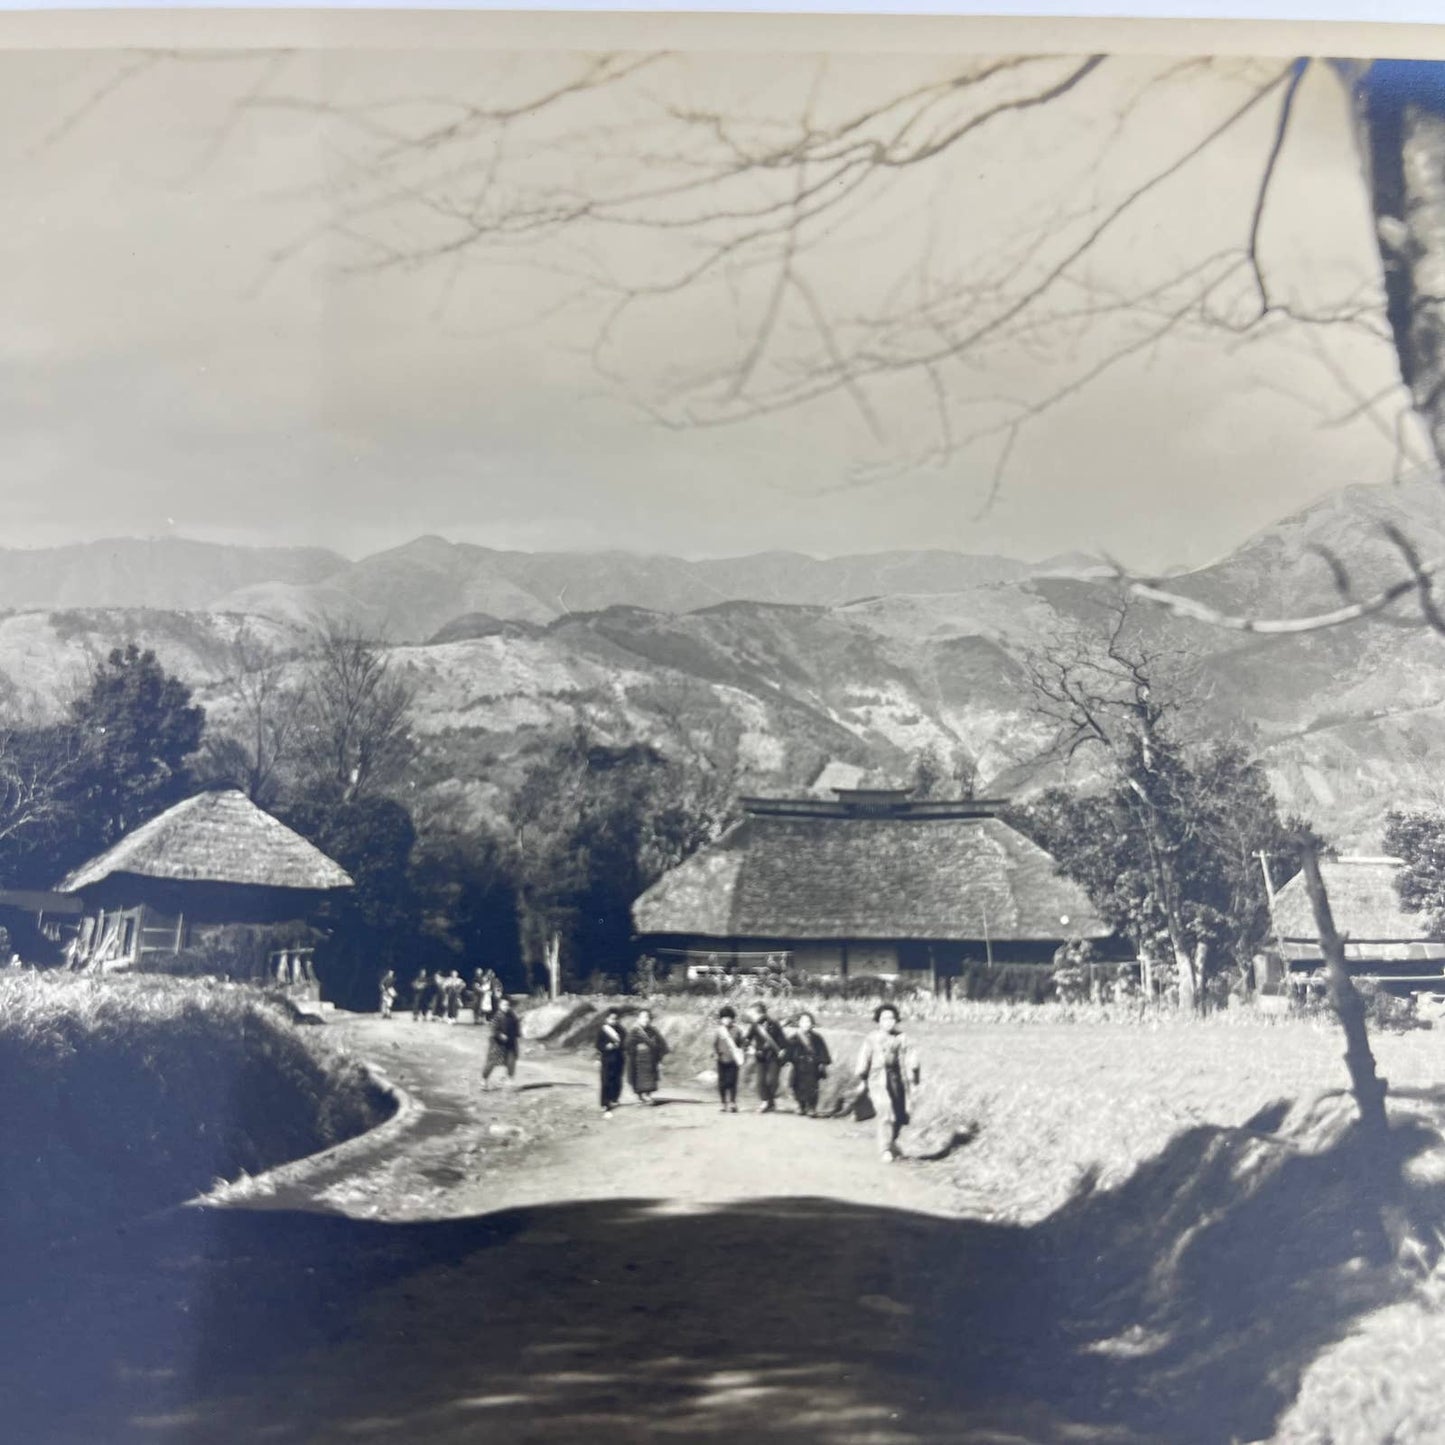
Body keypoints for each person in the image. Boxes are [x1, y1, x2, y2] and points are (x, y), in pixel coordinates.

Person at [855, 1004, 922, 1162]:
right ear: (878, 1020)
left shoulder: (901, 1038)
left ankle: (891, 1142)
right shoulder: (871, 1038)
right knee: (885, 1110)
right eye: (885, 1018)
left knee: (899, 1115)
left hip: (897, 1080)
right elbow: (864, 1058)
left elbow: (911, 1056)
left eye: (892, 1018)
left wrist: (914, 1072)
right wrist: (862, 1078)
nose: (889, 1022)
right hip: (877, 1079)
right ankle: (884, 1148)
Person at [743, 1000, 788, 1113]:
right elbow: (747, 1040)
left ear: (759, 1013)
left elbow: (783, 1040)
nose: (751, 1017)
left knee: (772, 1081)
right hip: (760, 1056)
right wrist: (749, 1048)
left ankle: (770, 1102)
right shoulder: (754, 1026)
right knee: (761, 1081)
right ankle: (765, 1102)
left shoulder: (774, 1024)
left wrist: (783, 1050)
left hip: (774, 1056)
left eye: (752, 1014)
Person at [785, 1011, 831, 1116]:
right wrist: (786, 1059)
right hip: (798, 1066)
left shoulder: (817, 1038)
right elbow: (788, 1051)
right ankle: (801, 1106)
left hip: (812, 1066)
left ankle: (811, 1107)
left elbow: (822, 1051)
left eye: (809, 1021)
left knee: (812, 1087)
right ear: (799, 1023)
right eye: (804, 1022)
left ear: (812, 1023)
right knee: (797, 1086)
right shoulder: (794, 1038)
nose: (806, 1024)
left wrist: (822, 1063)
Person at [625, 1008, 669, 1106]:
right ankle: (641, 1096)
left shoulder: (653, 1030)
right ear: (638, 1019)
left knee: (650, 1077)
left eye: (648, 1017)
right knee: (638, 1077)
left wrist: (658, 1051)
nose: (646, 1019)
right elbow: (628, 1044)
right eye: (643, 1017)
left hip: (651, 1058)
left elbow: (661, 1043)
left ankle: (647, 1095)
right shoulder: (634, 1031)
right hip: (638, 1059)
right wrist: (637, 1048)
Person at [481, 996, 521, 1087]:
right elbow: (493, 1029)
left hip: (510, 1042)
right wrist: (499, 1035)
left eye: (507, 1005)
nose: (506, 1006)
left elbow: (517, 1026)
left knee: (511, 1060)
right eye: (503, 1004)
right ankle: (484, 1079)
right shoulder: (497, 1016)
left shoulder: (512, 1015)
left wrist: (517, 1033)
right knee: (492, 1061)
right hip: (497, 1043)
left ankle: (509, 1078)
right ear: (500, 1005)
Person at [712, 1005, 745, 1112]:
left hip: (733, 1060)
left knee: (732, 1081)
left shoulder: (737, 1031)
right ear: (721, 1019)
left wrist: (741, 1053)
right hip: (721, 1060)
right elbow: (715, 1044)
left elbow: (741, 1045)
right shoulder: (719, 1031)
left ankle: (732, 1102)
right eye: (724, 1018)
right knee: (722, 1082)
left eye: (729, 1017)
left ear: (732, 1018)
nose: (726, 1020)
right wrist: (715, 1053)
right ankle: (723, 1103)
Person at [596, 1007, 627, 1116]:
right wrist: (605, 1046)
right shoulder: (603, 1030)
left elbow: (625, 1042)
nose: (614, 1021)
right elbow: (598, 1045)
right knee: (605, 1081)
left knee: (617, 1080)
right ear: (606, 1019)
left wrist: (618, 1045)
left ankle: (614, 1098)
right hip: (607, 1059)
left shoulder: (621, 1030)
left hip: (618, 1059)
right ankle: (605, 1102)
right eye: (612, 1019)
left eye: (616, 1019)